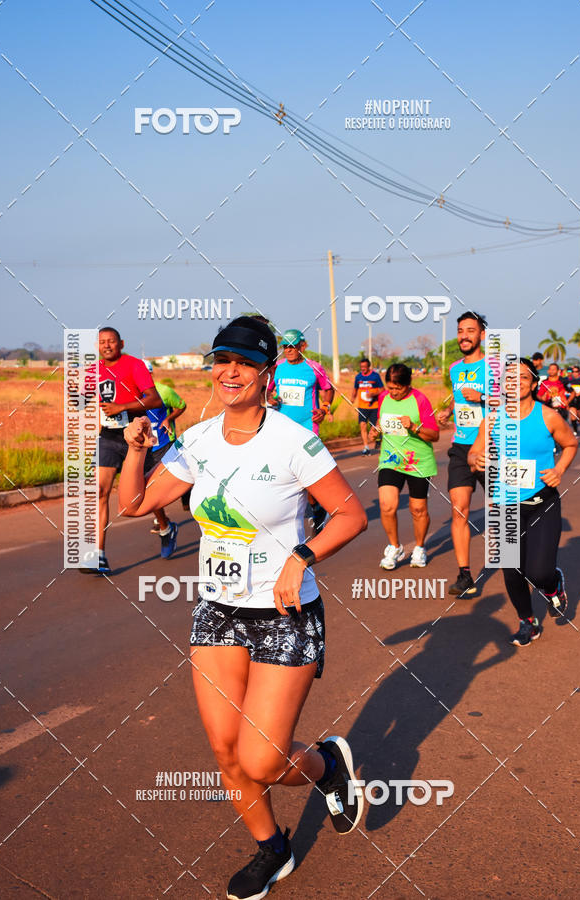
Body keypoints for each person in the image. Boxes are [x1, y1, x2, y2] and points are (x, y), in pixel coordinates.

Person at [118, 316, 367, 900]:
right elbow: (133, 504)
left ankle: (327, 766)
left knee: (263, 759)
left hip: (284, 615)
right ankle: (272, 848)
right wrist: (135, 451)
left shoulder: (292, 441)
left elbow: (352, 516)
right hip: (218, 611)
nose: (230, 372)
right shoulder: (197, 441)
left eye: (245, 363)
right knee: (227, 751)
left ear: (267, 373)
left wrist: (301, 556)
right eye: (221, 359)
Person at [468, 358, 577, 646]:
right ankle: (528, 621)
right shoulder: (492, 418)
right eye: (509, 378)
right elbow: (474, 453)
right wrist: (476, 459)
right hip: (505, 506)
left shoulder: (548, 416)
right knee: (513, 570)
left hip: (542, 502)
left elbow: (570, 444)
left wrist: (559, 470)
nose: (515, 383)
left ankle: (553, 586)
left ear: (533, 383)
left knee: (538, 572)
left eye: (522, 378)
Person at [81, 328, 175, 575]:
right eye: (102, 342)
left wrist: (122, 406)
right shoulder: (93, 370)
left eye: (111, 341)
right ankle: (98, 555)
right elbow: (82, 400)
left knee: (142, 493)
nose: (107, 345)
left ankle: (165, 527)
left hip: (135, 436)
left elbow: (155, 400)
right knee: (99, 491)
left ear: (121, 343)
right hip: (109, 437)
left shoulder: (134, 365)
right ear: (97, 345)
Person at [436, 311, 490, 596]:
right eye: (460, 330)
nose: (464, 335)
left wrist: (482, 397)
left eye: (470, 330)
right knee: (459, 509)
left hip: (492, 445)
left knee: (503, 512)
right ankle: (465, 576)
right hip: (460, 447)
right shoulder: (455, 368)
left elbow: (512, 403)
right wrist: (448, 412)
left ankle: (519, 566)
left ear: (481, 335)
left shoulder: (494, 366)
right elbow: (460, 402)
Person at [369, 363, 439, 569]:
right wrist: (376, 431)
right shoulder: (383, 398)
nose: (392, 393)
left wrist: (414, 427)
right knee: (387, 505)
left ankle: (419, 547)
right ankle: (394, 547)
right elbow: (382, 423)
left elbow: (434, 435)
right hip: (391, 459)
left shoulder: (420, 400)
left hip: (418, 462)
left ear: (408, 385)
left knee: (418, 509)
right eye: (389, 388)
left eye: (397, 389)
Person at [267, 328, 334, 532]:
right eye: (285, 346)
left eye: (292, 346)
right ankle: (284, 516)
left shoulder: (314, 368)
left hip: (307, 427)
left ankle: (317, 507)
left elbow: (329, 389)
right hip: (281, 427)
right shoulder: (277, 368)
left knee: (307, 474)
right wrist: (270, 399)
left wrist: (325, 408)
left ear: (302, 346)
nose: (288, 350)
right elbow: (267, 391)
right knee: (282, 472)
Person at [142, 363, 189, 531]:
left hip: (164, 442)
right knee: (148, 486)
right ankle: (162, 522)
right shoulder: (130, 394)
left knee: (177, 477)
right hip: (145, 448)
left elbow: (182, 405)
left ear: (150, 374)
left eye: (145, 373)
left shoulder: (164, 391)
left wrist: (168, 418)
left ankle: (187, 492)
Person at [351, 358, 384, 454]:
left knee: (374, 427)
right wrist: (353, 398)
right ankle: (366, 447)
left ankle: (378, 439)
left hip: (374, 406)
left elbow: (382, 390)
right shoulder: (358, 377)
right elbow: (355, 389)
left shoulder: (375, 376)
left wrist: (373, 394)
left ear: (369, 367)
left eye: (365, 367)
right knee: (362, 425)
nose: (363, 369)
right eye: (361, 367)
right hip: (362, 406)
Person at [562, 365, 580, 435]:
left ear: (579, 372)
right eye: (572, 371)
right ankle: (575, 431)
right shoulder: (567, 381)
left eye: (576, 371)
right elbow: (564, 389)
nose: (574, 373)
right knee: (573, 414)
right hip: (572, 400)